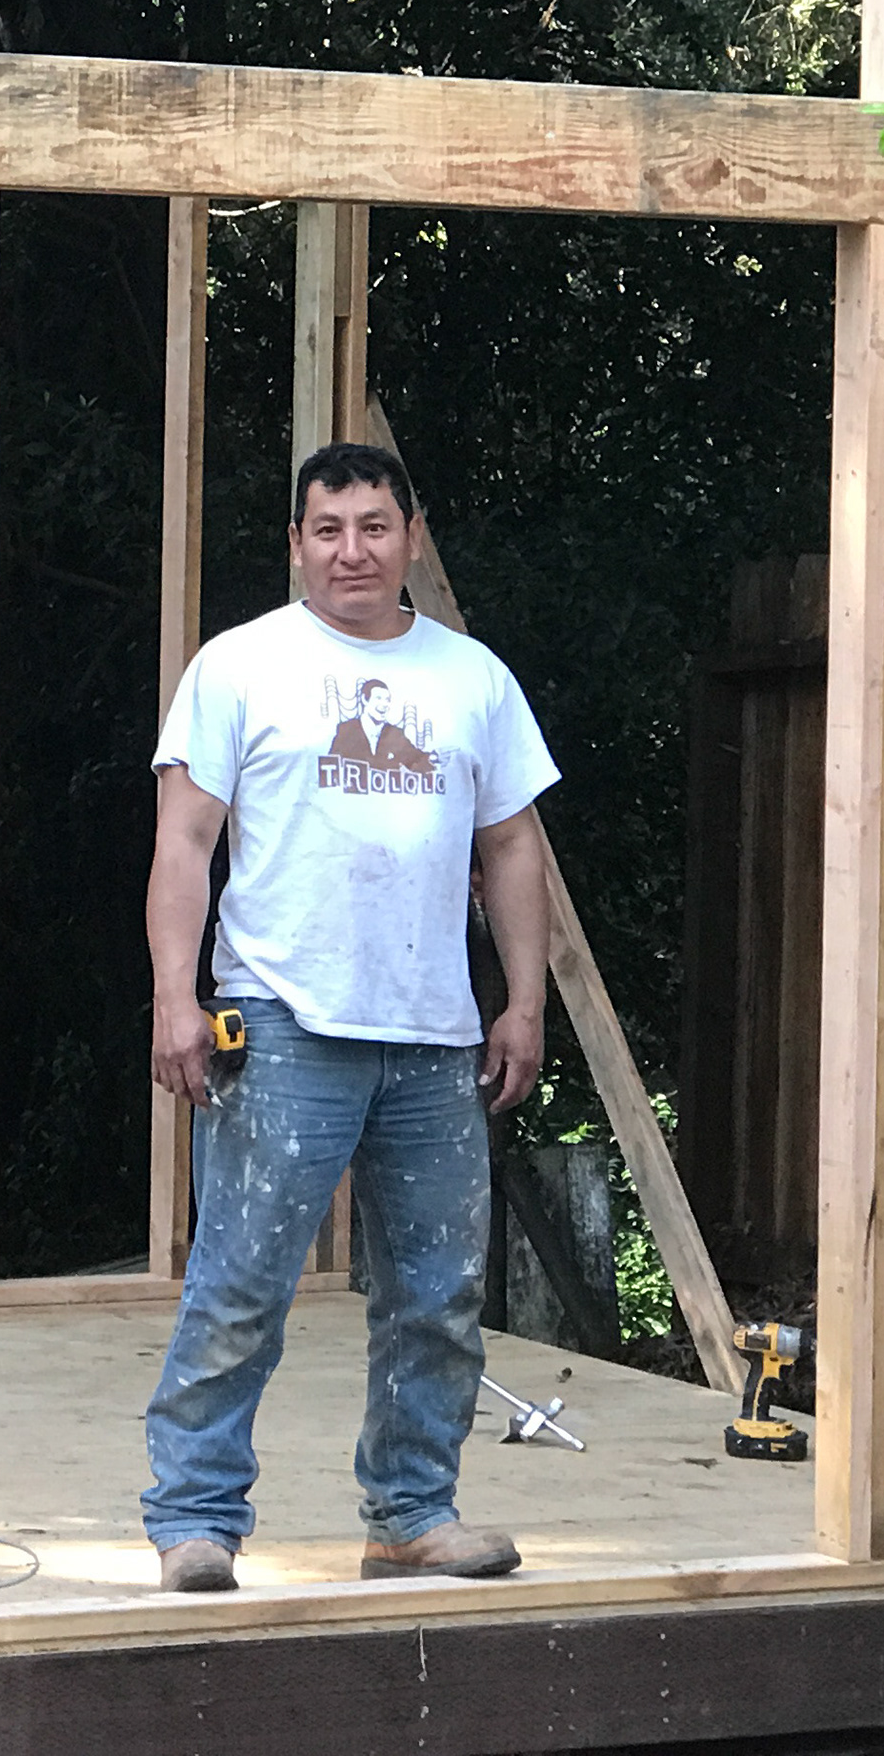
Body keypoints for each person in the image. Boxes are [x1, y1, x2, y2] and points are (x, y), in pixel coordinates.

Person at [140, 438, 557, 1593]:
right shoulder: (240, 667)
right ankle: (196, 1522)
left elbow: (512, 847)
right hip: (281, 1022)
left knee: (438, 1296)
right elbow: (184, 843)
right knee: (241, 1283)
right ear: (296, 545)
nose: (352, 551)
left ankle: (413, 1516)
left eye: (375, 527)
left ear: (412, 537)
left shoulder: (472, 679)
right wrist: (176, 998)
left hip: (433, 1035)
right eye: (328, 530)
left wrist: (521, 1004)